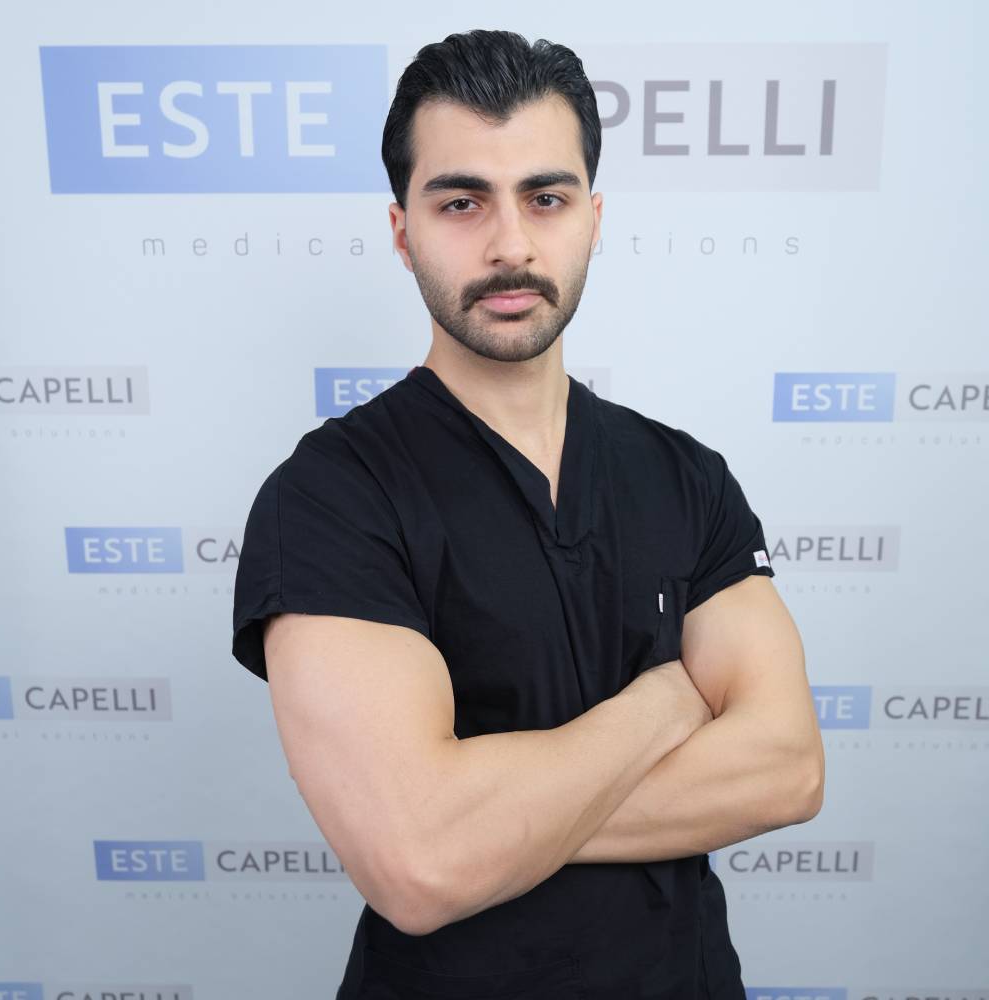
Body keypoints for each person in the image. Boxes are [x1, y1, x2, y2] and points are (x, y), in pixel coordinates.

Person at [231, 28, 824, 999]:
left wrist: (488, 822)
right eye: (461, 202)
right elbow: (420, 863)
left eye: (545, 198)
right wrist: (665, 701)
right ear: (402, 231)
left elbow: (787, 769)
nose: (509, 244)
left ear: (592, 217)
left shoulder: (685, 476)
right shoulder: (332, 496)